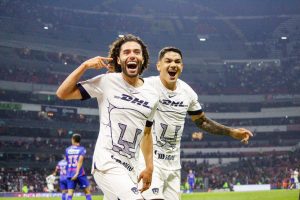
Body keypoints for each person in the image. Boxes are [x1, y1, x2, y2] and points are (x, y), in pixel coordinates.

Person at [139, 47, 253, 200]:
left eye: (177, 62)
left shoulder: (187, 92)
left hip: (173, 165)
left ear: (182, 67)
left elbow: (202, 122)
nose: (173, 64)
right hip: (150, 161)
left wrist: (231, 132)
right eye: (168, 61)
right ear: (158, 65)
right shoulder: (146, 86)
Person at [56, 34, 160, 199]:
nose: (132, 55)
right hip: (107, 164)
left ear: (142, 58)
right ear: (118, 60)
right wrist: (84, 66)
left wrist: (149, 167)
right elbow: (63, 93)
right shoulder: (107, 81)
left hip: (131, 168)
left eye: (136, 52)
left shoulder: (153, 95)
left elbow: (146, 133)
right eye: (126, 52)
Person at [65, 133, 92, 200]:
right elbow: (80, 162)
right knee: (87, 192)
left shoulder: (67, 150)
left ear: (73, 139)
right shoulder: (82, 149)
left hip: (70, 174)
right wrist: (77, 173)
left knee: (70, 194)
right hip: (80, 174)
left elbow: (67, 161)